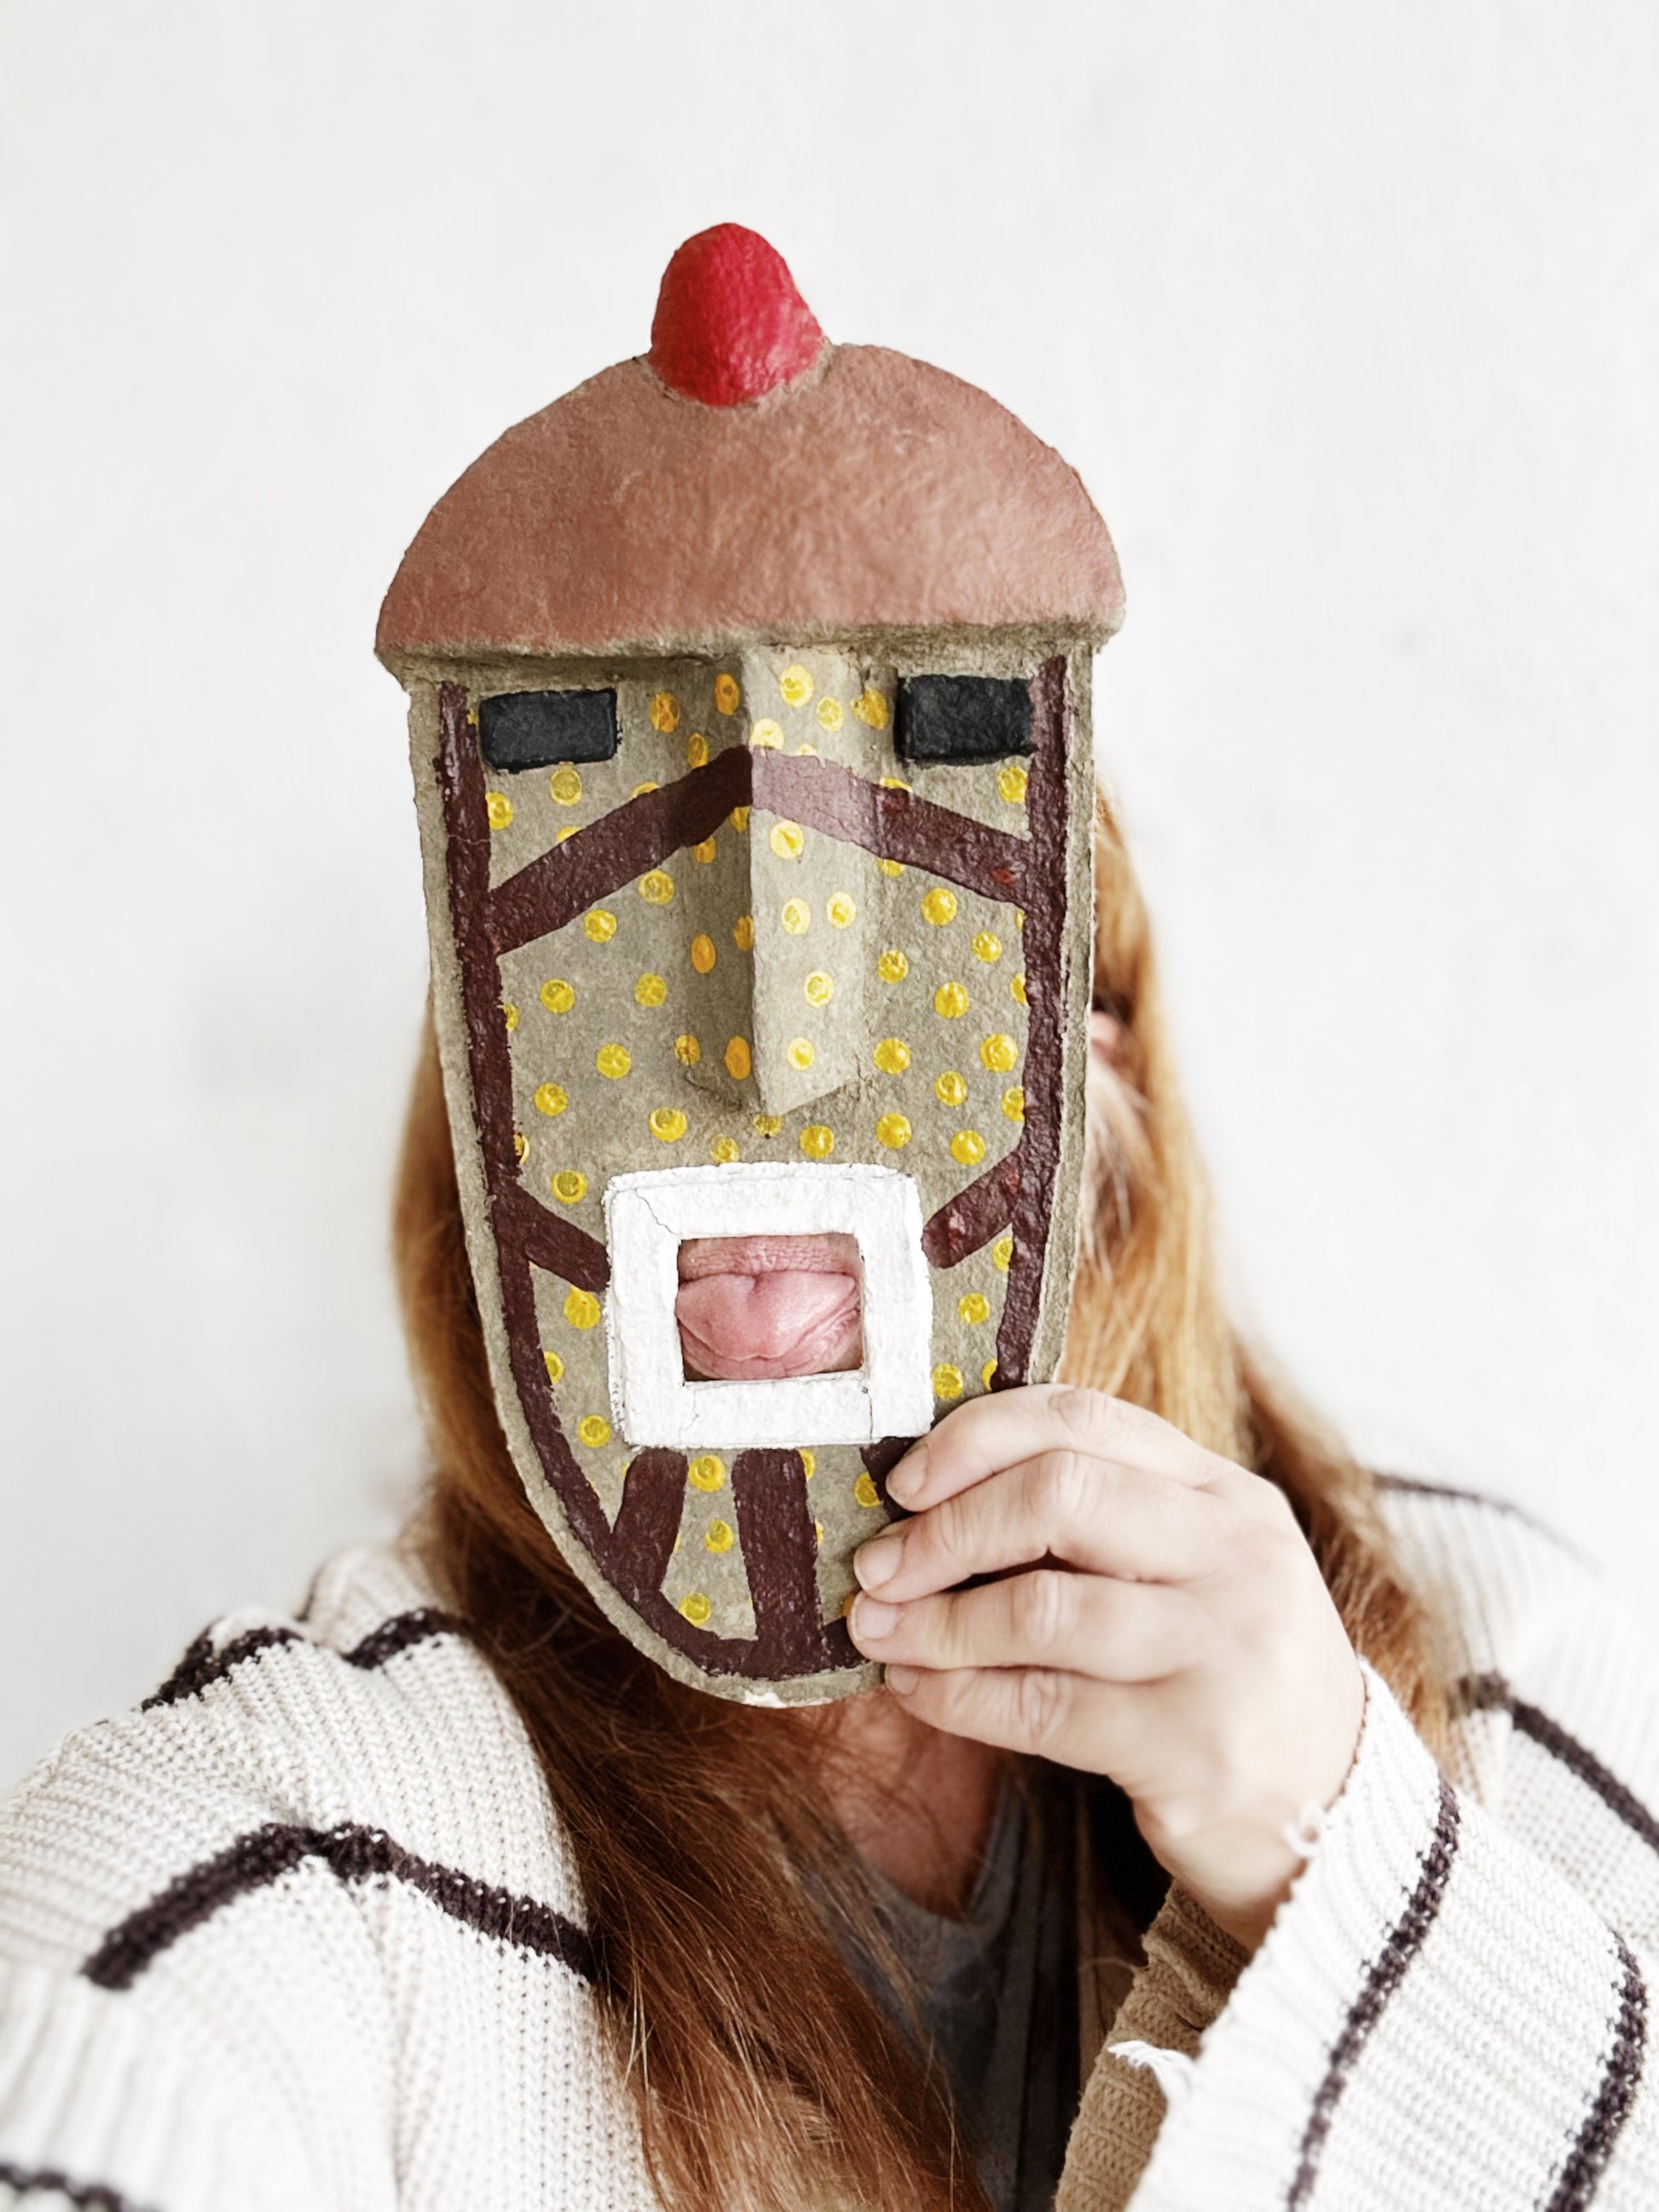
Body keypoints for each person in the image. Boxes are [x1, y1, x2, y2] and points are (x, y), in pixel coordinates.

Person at [2, 230, 1656, 2212]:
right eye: (571, 761)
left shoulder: (1484, 1658)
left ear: (1116, 1088)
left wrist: (1343, 1851)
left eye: (940, 746)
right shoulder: (337, 1817)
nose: (779, 1056)